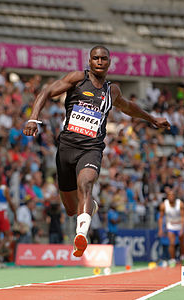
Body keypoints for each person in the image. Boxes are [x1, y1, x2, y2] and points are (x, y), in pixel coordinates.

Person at [23, 45, 170, 257]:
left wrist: (152, 119)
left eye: (103, 58)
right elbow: (46, 91)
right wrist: (33, 118)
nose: (99, 62)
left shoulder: (112, 91)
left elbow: (128, 107)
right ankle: (89, 207)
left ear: (109, 62)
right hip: (66, 147)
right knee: (71, 208)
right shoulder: (77, 79)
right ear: (89, 61)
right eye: (95, 58)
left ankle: (81, 234)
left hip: (91, 148)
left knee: (86, 183)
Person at [158, 189, 184, 266]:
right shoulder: (163, 205)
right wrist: (160, 229)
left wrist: (182, 228)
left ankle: (183, 257)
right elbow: (160, 218)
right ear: (167, 197)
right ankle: (172, 259)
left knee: (182, 243)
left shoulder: (180, 204)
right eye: (170, 195)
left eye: (173, 195)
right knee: (171, 243)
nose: (171, 197)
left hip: (179, 225)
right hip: (170, 226)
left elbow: (183, 216)